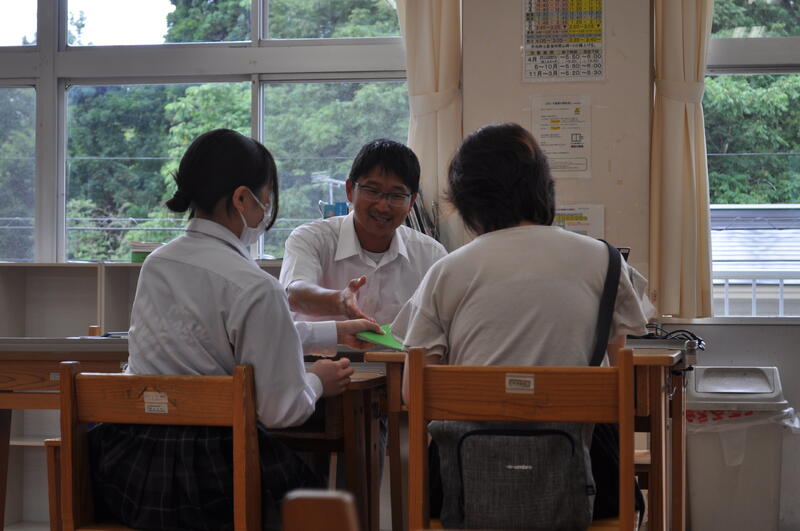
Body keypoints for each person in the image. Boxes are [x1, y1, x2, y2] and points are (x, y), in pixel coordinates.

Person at [88, 129, 381, 531]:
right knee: (315, 501)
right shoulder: (254, 285)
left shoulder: (157, 264)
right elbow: (281, 411)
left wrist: (334, 332)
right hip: (211, 473)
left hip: (131, 466)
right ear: (243, 199)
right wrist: (317, 381)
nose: (265, 212)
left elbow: (230, 338)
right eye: (266, 199)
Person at [391, 122, 654, 526]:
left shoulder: (446, 271)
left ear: (465, 200)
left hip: (467, 489)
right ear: (542, 188)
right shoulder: (607, 261)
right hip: (587, 487)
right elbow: (625, 388)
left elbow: (414, 392)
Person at [279, 139, 447, 327]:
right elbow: (294, 294)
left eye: (397, 195)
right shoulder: (311, 239)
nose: (383, 206)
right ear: (350, 190)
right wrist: (340, 301)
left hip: (402, 348)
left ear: (412, 202)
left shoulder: (431, 255)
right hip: (325, 347)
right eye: (372, 191)